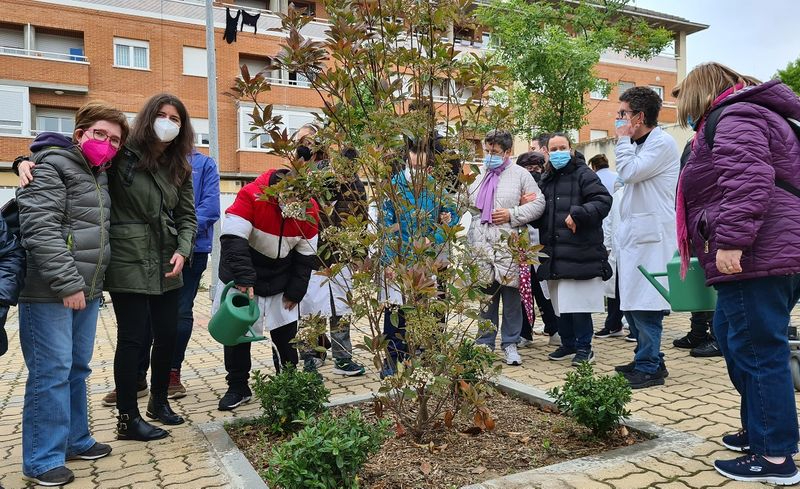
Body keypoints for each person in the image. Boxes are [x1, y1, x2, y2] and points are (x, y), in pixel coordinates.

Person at [674, 62, 800, 485]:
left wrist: (732, 241)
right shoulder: (749, 114)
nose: (683, 111)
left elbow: (748, 180)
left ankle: (776, 457)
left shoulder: (734, 116)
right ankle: (761, 430)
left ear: (700, 92)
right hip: (771, 249)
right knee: (733, 338)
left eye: (683, 99)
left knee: (758, 350)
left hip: (758, 253)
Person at [16, 102, 128, 486]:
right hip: (50, 292)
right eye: (100, 134)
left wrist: (85, 286)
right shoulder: (53, 166)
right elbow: (39, 228)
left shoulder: (99, 174)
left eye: (114, 140)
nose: (107, 143)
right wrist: (67, 283)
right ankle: (41, 459)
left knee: (77, 369)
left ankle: (75, 440)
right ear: (79, 133)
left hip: (88, 289)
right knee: (50, 373)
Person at [216, 168, 319, 410]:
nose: (295, 205)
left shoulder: (310, 209)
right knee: (237, 335)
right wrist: (244, 277)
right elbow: (232, 239)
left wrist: (296, 291)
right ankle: (238, 386)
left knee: (286, 335)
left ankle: (290, 384)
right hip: (244, 270)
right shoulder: (250, 195)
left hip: (281, 275)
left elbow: (307, 256)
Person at [612, 86, 679, 389]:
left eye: (622, 113)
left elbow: (629, 172)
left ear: (638, 117)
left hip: (651, 238)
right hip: (635, 236)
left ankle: (649, 366)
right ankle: (648, 356)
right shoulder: (640, 144)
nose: (618, 119)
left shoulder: (662, 143)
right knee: (632, 301)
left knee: (647, 303)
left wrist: (623, 140)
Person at [381, 135, 459, 375]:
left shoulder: (436, 187)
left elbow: (451, 219)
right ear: (406, 161)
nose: (417, 172)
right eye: (413, 166)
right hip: (400, 257)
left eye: (422, 167)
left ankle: (420, 356)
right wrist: (390, 260)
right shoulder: (392, 187)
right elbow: (386, 225)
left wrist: (433, 237)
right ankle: (393, 359)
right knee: (395, 310)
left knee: (422, 309)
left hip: (426, 259)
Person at [294, 124, 367, 376]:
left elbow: (362, 218)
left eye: (313, 140)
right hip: (308, 254)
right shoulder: (298, 177)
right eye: (303, 141)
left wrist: (358, 254)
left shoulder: (348, 179)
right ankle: (309, 357)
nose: (309, 145)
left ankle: (343, 358)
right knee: (309, 309)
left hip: (339, 254)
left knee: (341, 308)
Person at [468, 130, 545, 366]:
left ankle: (510, 343)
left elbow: (538, 204)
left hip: (510, 243)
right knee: (485, 298)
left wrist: (513, 214)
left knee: (512, 298)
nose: (489, 156)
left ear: (508, 153)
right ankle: (484, 344)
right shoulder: (477, 174)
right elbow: (463, 201)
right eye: (487, 151)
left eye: (495, 152)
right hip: (480, 243)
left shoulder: (521, 175)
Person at [536, 133, 612, 366]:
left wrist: (579, 213)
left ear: (571, 149)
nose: (558, 152)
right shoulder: (547, 178)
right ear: (547, 152)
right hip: (555, 253)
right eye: (554, 148)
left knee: (578, 305)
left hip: (580, 252)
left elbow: (602, 201)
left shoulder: (584, 174)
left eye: (563, 147)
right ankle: (567, 344)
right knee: (561, 304)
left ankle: (584, 348)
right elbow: (541, 214)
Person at [514, 151, 559, 347]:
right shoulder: (514, 187)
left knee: (544, 289)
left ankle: (554, 328)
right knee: (523, 288)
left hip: (543, 245)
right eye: (528, 168)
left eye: (536, 168)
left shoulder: (547, 187)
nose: (533, 172)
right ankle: (524, 332)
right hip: (520, 244)